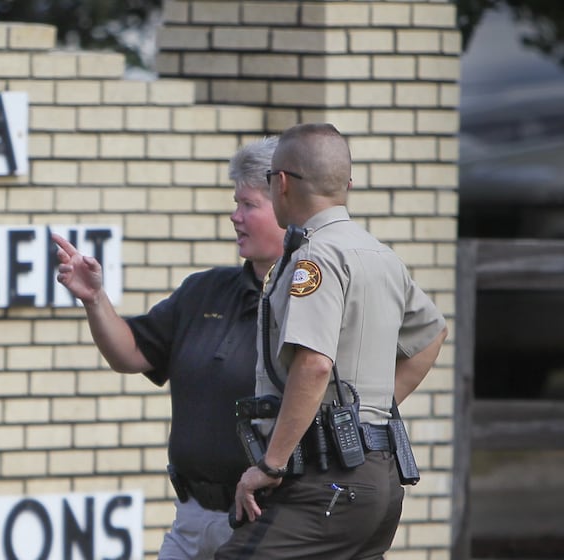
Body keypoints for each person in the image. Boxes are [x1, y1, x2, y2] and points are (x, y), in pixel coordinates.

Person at [214, 123, 448, 559]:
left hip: (326, 481)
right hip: (378, 477)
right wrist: (365, 413)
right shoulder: (380, 254)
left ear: (280, 183)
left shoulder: (313, 256)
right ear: (347, 185)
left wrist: (270, 464)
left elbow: (315, 363)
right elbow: (432, 335)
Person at [53, 138, 286, 559]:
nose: (235, 216)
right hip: (192, 518)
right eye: (235, 203)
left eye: (248, 204)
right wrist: (94, 299)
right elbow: (130, 354)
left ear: (286, 208)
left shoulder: (311, 301)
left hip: (266, 522)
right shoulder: (204, 289)